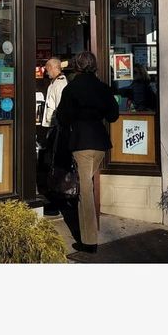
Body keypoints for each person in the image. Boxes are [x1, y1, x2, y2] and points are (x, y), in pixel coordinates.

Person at [56, 50, 119, 253]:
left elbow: (63, 118)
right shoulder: (102, 88)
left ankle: (89, 241)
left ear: (78, 66)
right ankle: (88, 235)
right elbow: (113, 116)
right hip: (100, 143)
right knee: (86, 186)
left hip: (81, 143)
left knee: (85, 191)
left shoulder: (71, 88)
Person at [37, 57, 68, 216]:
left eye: (47, 68)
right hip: (53, 129)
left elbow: (60, 109)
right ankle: (55, 201)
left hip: (57, 130)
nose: (46, 71)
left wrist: (57, 130)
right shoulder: (55, 83)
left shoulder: (60, 84)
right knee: (50, 165)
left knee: (54, 166)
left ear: (53, 67)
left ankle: (57, 203)